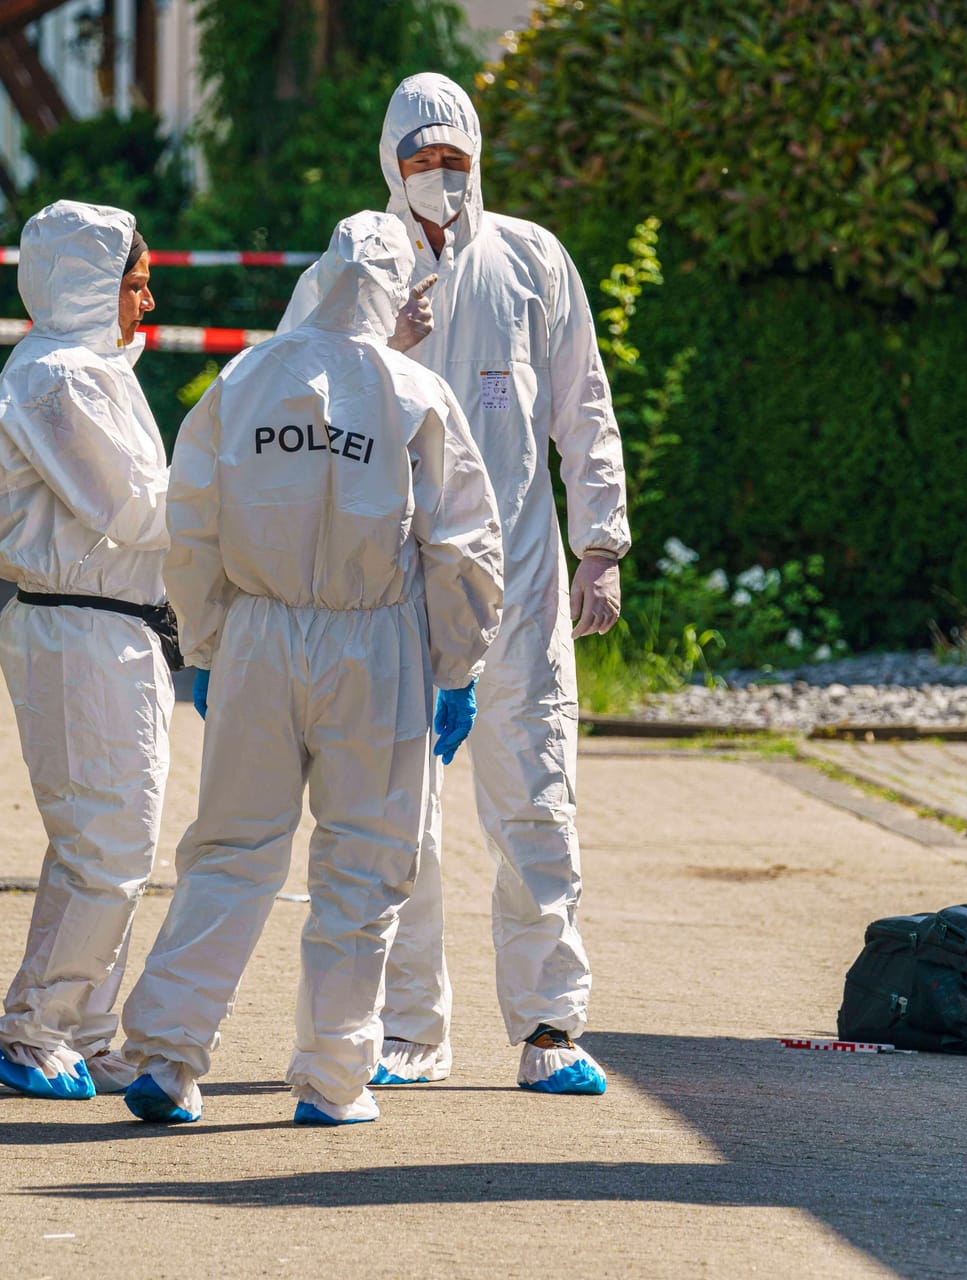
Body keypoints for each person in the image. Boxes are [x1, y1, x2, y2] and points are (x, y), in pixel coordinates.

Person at [278, 72, 628, 1094]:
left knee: (539, 803)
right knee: (403, 820)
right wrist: (375, 342)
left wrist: (601, 543)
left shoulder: (532, 260)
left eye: (456, 160)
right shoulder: (355, 257)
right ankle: (410, 1030)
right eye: (422, 161)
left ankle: (550, 1022)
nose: (441, 179)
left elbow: (582, 403)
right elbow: (293, 394)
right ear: (392, 162)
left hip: (520, 590)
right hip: (398, 595)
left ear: (481, 157)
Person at [117, 210, 503, 1126]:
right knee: (365, 864)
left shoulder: (244, 379)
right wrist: (458, 663)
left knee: (228, 851)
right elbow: (462, 546)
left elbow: (192, 522)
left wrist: (207, 644)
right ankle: (333, 1078)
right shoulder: (411, 391)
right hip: (375, 646)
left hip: (257, 635)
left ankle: (169, 1058)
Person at [0, 200, 171, 1101]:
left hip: (105, 628)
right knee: (109, 843)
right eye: (134, 283)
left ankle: (80, 1028)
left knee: (106, 840)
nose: (147, 305)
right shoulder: (61, 381)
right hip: (81, 630)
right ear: (90, 285)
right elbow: (137, 509)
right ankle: (34, 1028)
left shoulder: (85, 370)